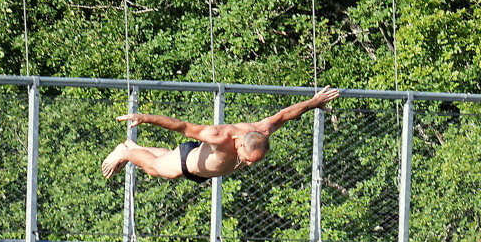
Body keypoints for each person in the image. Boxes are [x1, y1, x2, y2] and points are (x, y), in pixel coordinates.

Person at [101, 86, 339, 182]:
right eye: (248, 159)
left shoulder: (262, 131)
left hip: (203, 164)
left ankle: (132, 150)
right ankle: (125, 152)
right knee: (156, 168)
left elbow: (285, 114)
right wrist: (145, 118)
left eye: (253, 162)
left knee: (164, 156)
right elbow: (183, 127)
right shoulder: (221, 135)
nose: (248, 164)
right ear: (240, 145)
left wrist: (313, 102)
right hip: (187, 163)